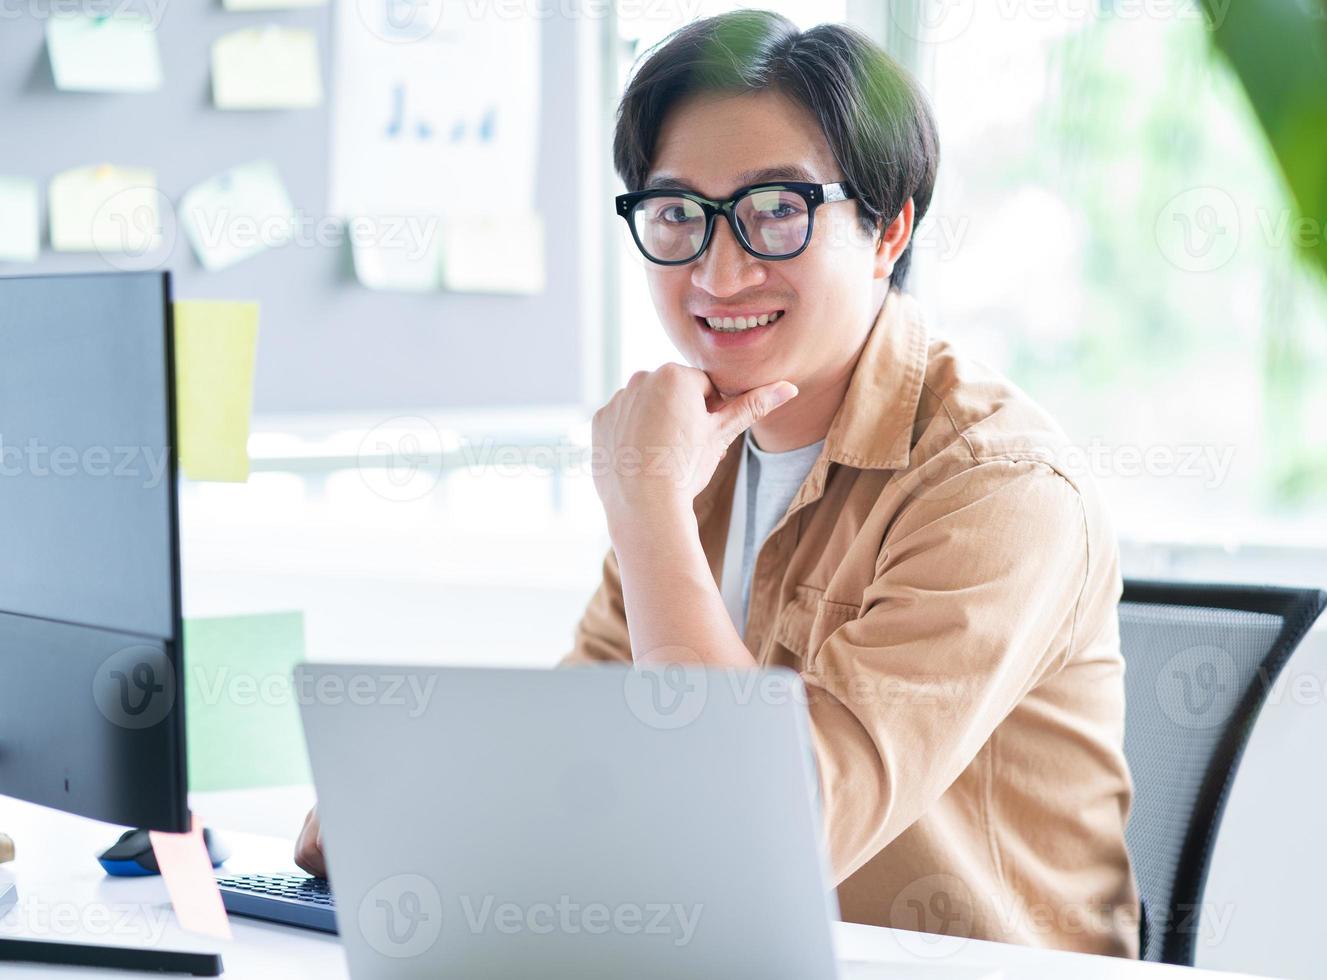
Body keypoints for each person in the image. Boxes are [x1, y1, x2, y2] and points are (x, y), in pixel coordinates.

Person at [297, 9, 1139, 957]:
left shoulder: (998, 490)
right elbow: (586, 754)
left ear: (887, 230)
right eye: (677, 214)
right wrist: (417, 810)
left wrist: (646, 509)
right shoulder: (692, 458)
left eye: (777, 210)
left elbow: (769, 835)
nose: (718, 268)